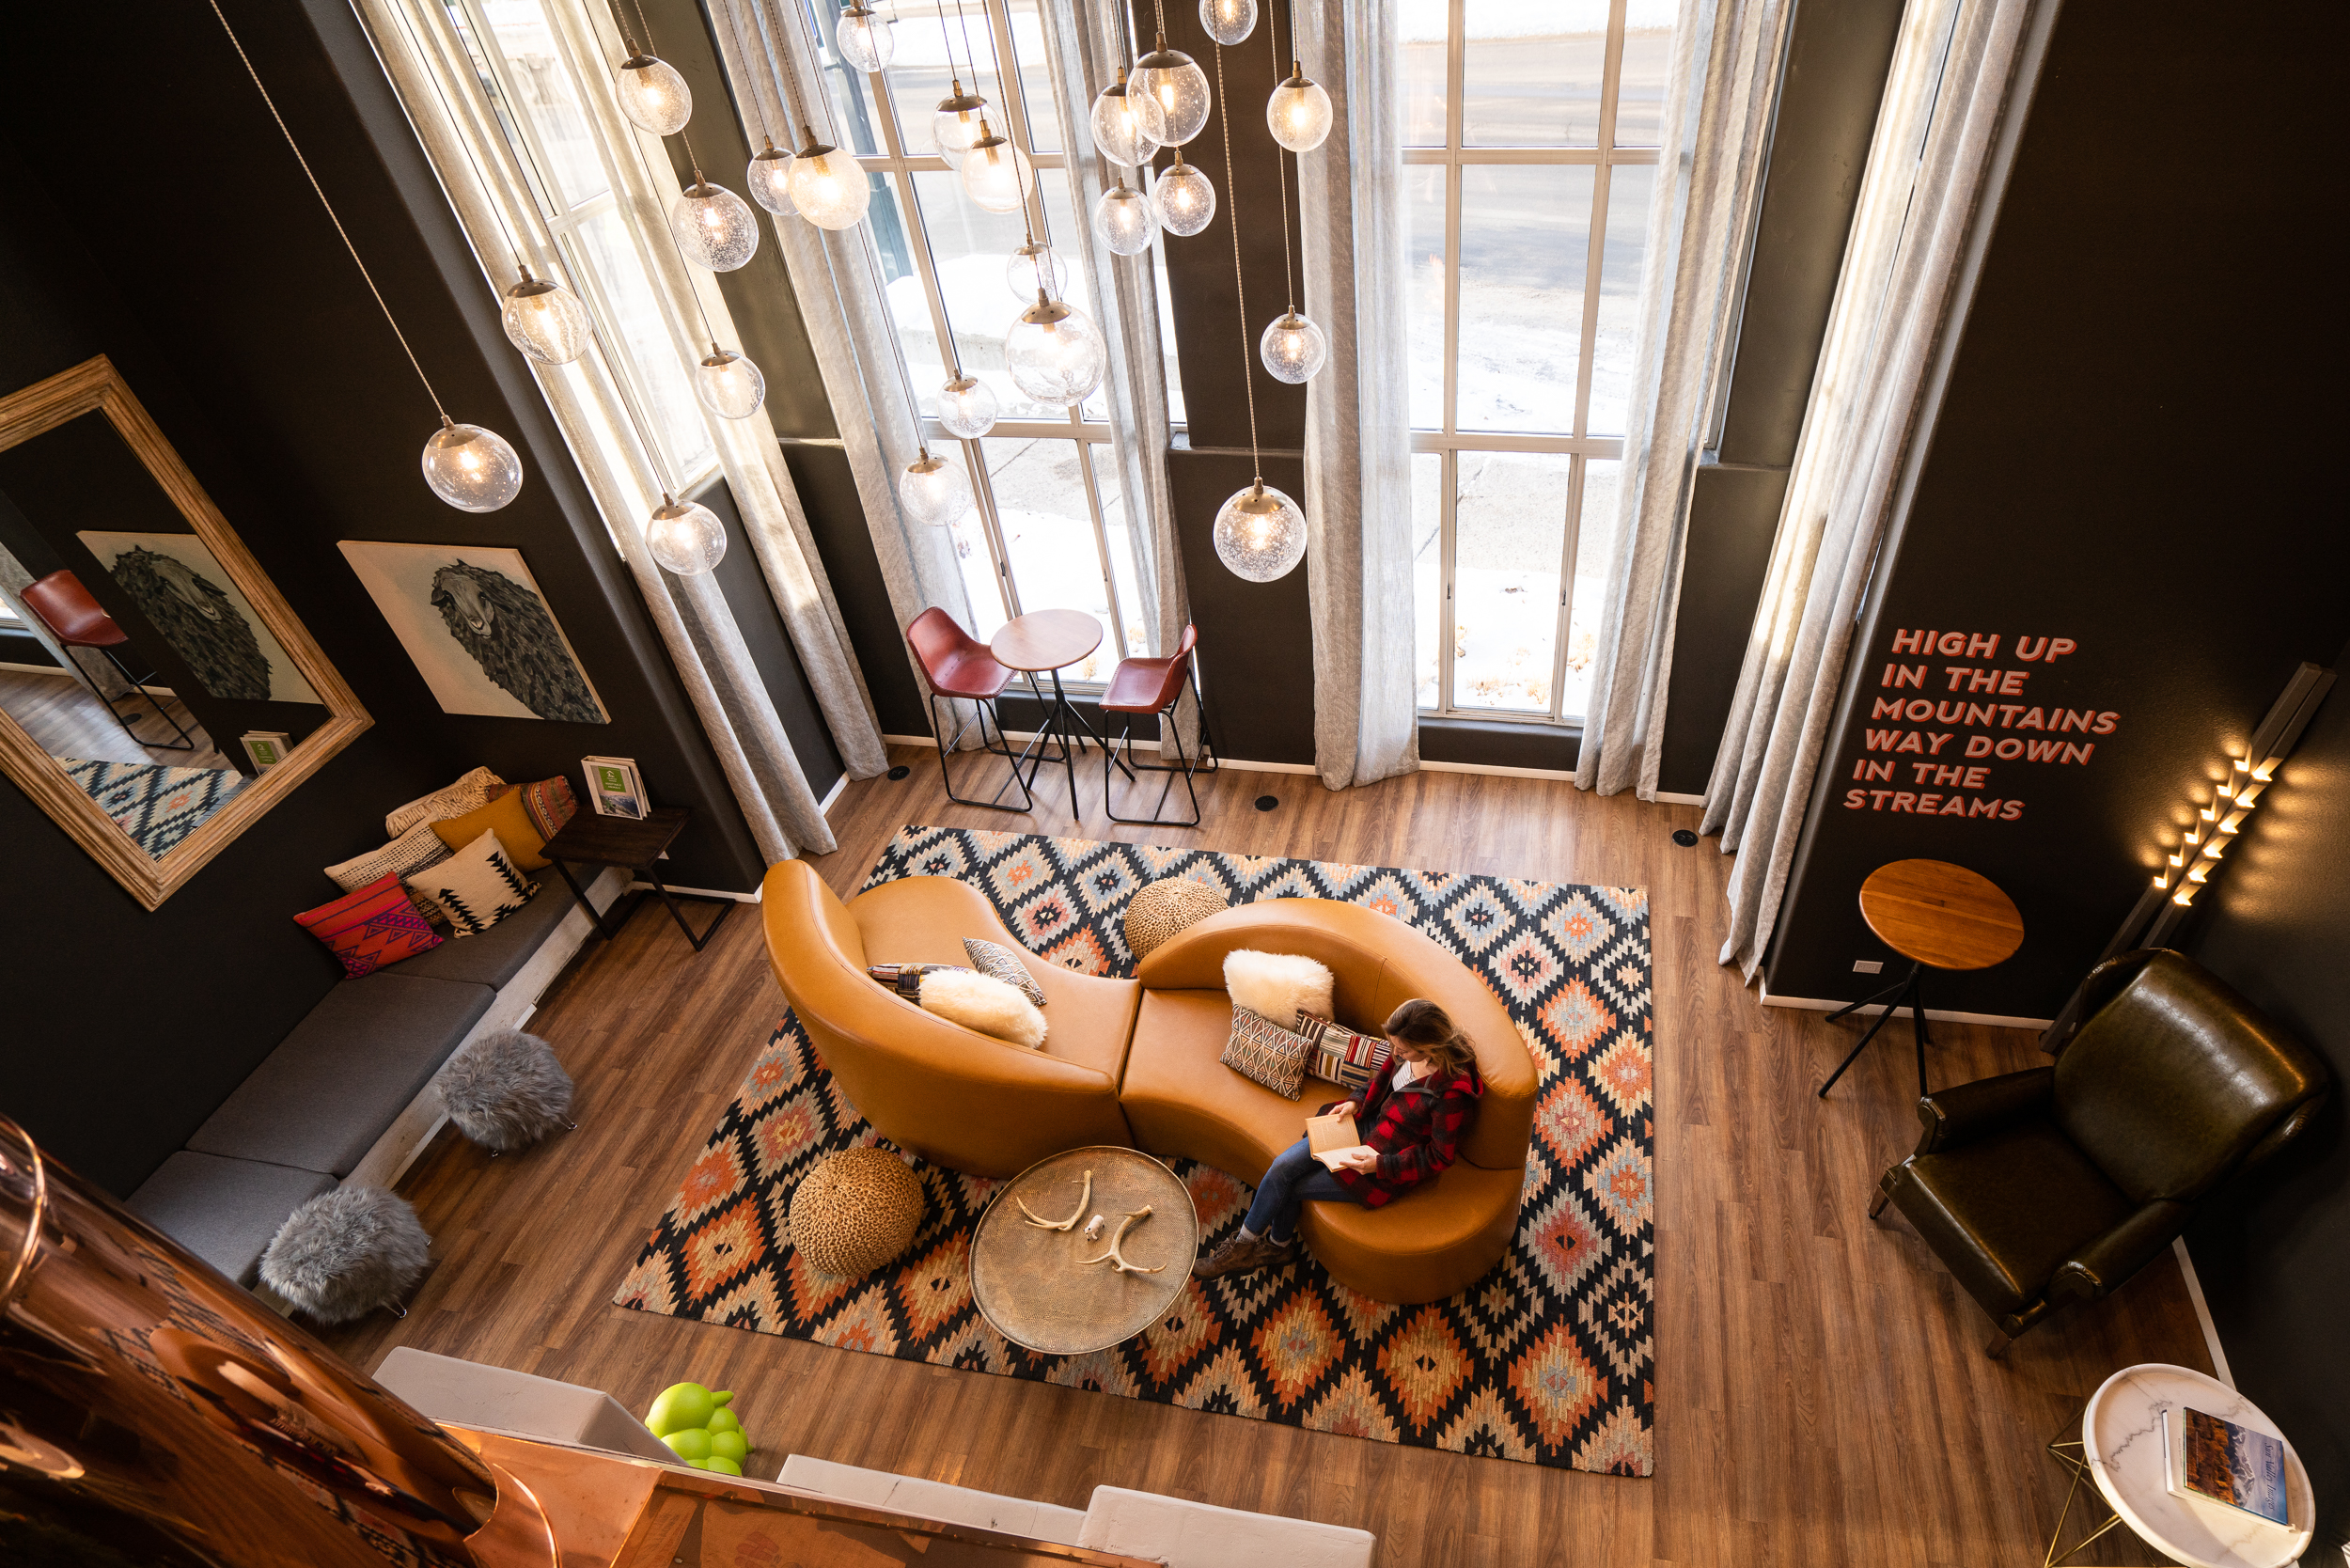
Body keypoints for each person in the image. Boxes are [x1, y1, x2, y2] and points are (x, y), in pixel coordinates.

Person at [1192, 997, 1484, 1280]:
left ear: (1428, 1046)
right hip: (1363, 1124)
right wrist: (1356, 1102)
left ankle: (1276, 1247)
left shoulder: (1450, 1094)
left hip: (1383, 1164)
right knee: (1282, 1167)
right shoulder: (1405, 1051)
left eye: (1403, 1051)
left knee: (1291, 1187)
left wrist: (1379, 1165)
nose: (1396, 1054)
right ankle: (1251, 1247)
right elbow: (1381, 1083)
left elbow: (1439, 1156)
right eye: (1394, 1046)